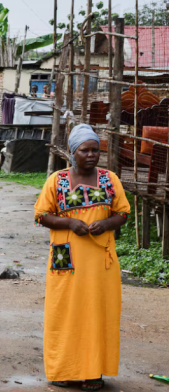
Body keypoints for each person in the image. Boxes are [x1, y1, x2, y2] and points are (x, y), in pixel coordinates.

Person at [34, 124, 130, 391]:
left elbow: (123, 212)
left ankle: (93, 372)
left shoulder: (110, 180)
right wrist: (68, 224)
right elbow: (41, 215)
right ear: (73, 152)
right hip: (66, 260)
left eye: (95, 150)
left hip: (100, 260)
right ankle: (63, 370)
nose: (91, 155)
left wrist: (108, 224)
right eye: (85, 150)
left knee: (98, 312)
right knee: (64, 313)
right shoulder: (57, 180)